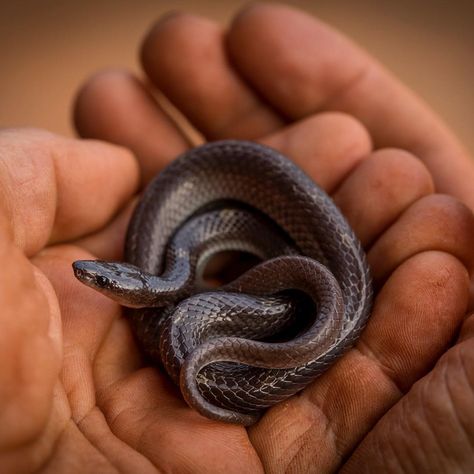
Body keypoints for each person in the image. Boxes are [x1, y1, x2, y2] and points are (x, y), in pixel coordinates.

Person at [1, 4, 473, 473]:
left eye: (104, 282)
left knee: (320, 292)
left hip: (245, 294)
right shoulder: (177, 280)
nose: (91, 278)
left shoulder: (180, 287)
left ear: (137, 286)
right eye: (106, 282)